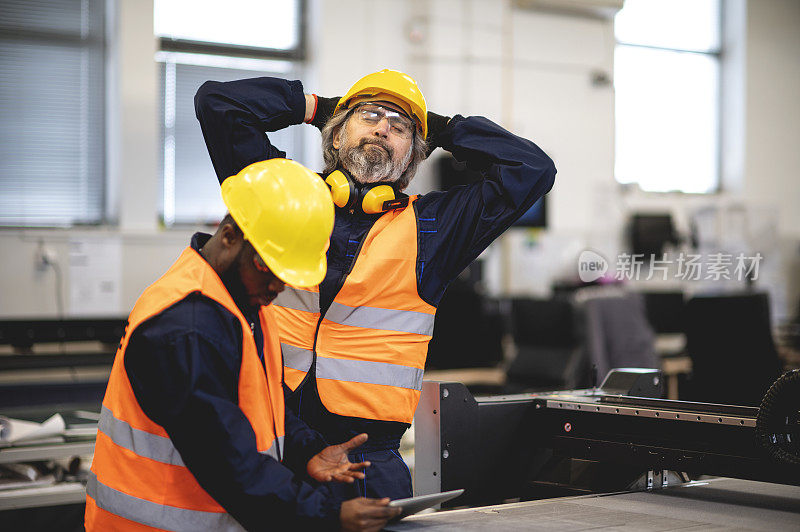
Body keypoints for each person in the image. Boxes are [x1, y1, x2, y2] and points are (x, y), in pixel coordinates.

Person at [195, 69, 557, 503]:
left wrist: (440, 129)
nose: (383, 127)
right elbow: (219, 103)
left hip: (366, 466)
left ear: (413, 158)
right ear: (334, 136)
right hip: (268, 440)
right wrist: (314, 107)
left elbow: (532, 168)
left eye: (400, 126)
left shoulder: (436, 228)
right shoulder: (284, 198)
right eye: (368, 116)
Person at [85, 159, 400, 531]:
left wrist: (307, 450)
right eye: (270, 268)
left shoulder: (245, 303)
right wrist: (329, 516)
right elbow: (227, 462)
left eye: (288, 277)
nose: (279, 287)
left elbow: (264, 404)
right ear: (230, 235)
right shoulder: (186, 329)